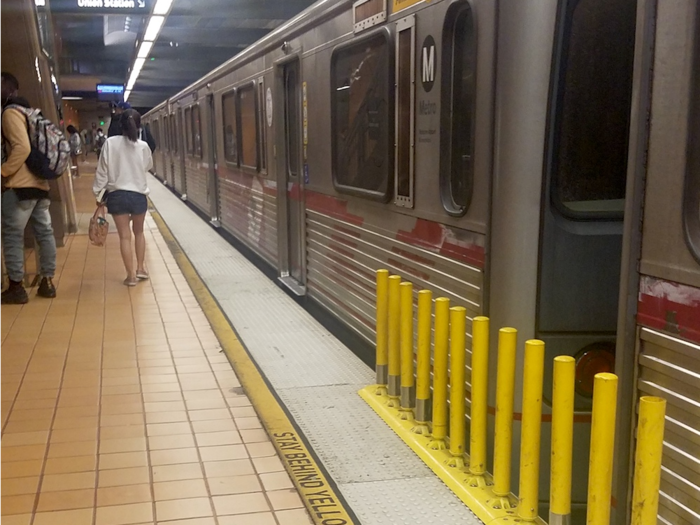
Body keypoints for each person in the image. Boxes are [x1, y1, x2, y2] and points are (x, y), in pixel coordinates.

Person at [0, 72, 57, 304]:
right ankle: (47, 282)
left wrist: (3, 172)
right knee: (44, 233)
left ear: (10, 89)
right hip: (40, 185)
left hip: (20, 187)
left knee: (13, 235)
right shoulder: (31, 112)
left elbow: (21, 148)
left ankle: (16, 287)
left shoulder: (10, 113)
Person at [94, 109, 152, 286]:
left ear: (120, 125)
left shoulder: (110, 143)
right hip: (138, 196)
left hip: (117, 196)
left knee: (124, 237)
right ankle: (141, 268)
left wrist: (98, 193)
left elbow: (102, 171)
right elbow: (148, 166)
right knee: (139, 233)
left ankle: (130, 277)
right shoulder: (143, 146)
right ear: (138, 126)